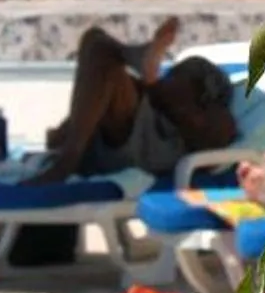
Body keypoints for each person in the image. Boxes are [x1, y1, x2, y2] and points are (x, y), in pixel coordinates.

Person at [38, 16, 238, 188]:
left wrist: (157, 88)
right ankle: (137, 59)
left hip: (155, 145)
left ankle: (67, 160)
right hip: (144, 123)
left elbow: (217, 140)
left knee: (99, 47)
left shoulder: (217, 99)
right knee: (96, 42)